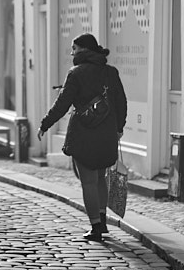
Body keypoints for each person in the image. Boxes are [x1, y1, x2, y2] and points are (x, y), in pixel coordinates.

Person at [37, 32, 127, 242]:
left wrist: (45, 124)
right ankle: (103, 220)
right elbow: (121, 101)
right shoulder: (111, 72)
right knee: (100, 179)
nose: (71, 52)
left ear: (83, 50)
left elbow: (62, 103)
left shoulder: (76, 73)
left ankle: (95, 226)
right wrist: (119, 127)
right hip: (106, 133)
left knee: (88, 181)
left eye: (74, 49)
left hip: (83, 133)